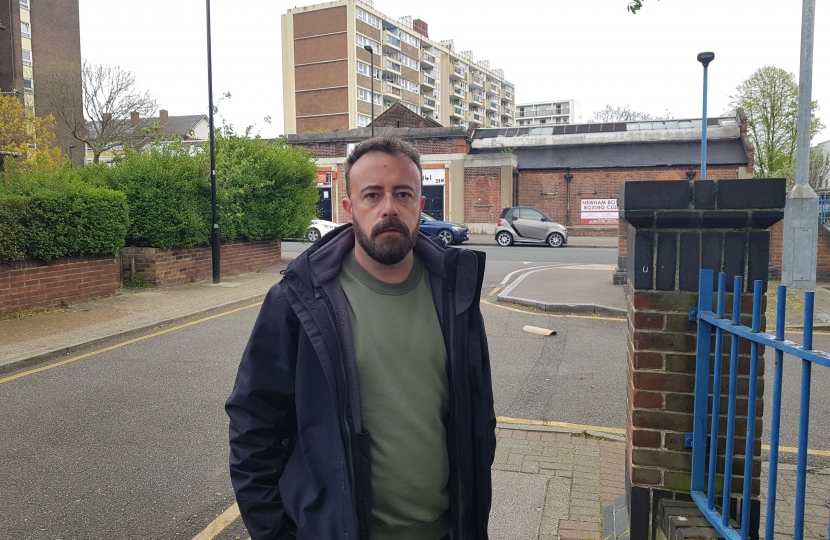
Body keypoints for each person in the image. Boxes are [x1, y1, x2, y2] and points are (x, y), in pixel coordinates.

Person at [225, 136, 495, 540]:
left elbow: (478, 414)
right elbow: (254, 427)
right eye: (373, 194)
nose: (389, 207)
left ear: (421, 206)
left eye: (403, 194)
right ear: (348, 209)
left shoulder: (454, 293)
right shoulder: (297, 301)